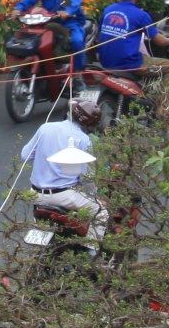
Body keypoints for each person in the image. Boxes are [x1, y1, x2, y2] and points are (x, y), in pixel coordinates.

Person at [18, 101, 105, 240]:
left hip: (35, 194)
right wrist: (95, 195)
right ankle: (92, 253)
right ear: (91, 125)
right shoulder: (83, 140)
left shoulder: (45, 128)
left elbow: (25, 155)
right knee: (101, 212)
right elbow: (87, 177)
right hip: (64, 196)